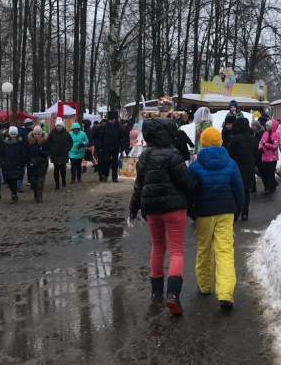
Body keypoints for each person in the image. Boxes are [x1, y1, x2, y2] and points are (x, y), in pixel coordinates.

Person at [129, 117, 196, 316]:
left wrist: (133, 209)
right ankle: (173, 295)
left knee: (157, 248)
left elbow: (138, 186)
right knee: (176, 252)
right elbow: (187, 183)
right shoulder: (173, 154)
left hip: (151, 210)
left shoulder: (145, 156)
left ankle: (156, 293)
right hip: (174, 209)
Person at [188, 127, 244, 311]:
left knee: (204, 249)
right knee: (225, 251)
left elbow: (190, 192)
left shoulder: (195, 166)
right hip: (227, 211)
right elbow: (239, 189)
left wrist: (191, 211)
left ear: (203, 143)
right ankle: (226, 293)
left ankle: (204, 286)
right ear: (220, 142)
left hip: (204, 213)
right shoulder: (230, 163)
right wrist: (238, 210)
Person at [227, 117, 257, 220]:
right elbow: (255, 153)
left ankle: (236, 212)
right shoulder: (252, 138)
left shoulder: (234, 138)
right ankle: (245, 212)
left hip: (236, 168)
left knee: (235, 190)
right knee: (246, 191)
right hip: (249, 168)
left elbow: (230, 154)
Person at [92, 112, 123, 182]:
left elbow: (121, 137)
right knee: (106, 162)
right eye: (110, 120)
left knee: (115, 163)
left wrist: (121, 145)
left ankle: (114, 177)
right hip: (106, 147)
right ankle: (105, 175)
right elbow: (101, 138)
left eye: (112, 120)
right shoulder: (104, 127)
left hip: (115, 147)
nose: (111, 121)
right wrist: (100, 147)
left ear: (115, 120)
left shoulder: (119, 128)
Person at [0, 127, 28, 204]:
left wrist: (23, 162)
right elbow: (2, 153)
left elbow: (24, 153)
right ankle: (13, 192)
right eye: (11, 134)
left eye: (14, 134)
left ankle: (14, 194)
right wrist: (2, 161)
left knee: (14, 180)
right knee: (8, 179)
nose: (13, 135)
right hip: (7, 164)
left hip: (17, 164)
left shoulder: (20, 143)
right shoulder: (5, 143)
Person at [27, 126, 51, 203]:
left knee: (40, 181)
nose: (37, 136)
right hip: (32, 164)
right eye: (35, 134)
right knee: (33, 181)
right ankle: (35, 193)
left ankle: (39, 195)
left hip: (42, 163)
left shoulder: (45, 141)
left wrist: (42, 153)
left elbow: (50, 151)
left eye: (38, 134)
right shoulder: (29, 142)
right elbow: (26, 152)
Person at [48, 120, 72, 189]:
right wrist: (51, 149)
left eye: (60, 126)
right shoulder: (52, 134)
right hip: (55, 154)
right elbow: (48, 142)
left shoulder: (66, 133)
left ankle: (63, 180)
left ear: (62, 126)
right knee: (56, 170)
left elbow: (71, 142)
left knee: (63, 169)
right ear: (55, 126)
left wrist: (68, 149)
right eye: (57, 126)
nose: (58, 127)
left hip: (63, 154)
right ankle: (57, 184)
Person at [258, 119, 280, 194]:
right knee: (265, 172)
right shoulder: (265, 134)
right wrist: (260, 147)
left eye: (268, 126)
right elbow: (261, 142)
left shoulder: (276, 135)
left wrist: (266, 144)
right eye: (266, 126)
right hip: (264, 156)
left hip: (272, 158)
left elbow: (275, 146)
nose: (267, 127)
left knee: (270, 173)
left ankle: (270, 187)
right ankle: (269, 185)